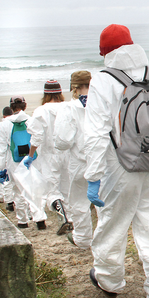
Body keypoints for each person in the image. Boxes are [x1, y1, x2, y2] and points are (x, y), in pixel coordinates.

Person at [83, 24, 149, 298]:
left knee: (112, 226)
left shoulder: (103, 79)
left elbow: (96, 133)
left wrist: (93, 176)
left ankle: (109, 281)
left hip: (121, 168)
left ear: (105, 53)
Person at [22, 80, 72, 233]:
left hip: (49, 155)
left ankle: (63, 215)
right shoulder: (68, 107)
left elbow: (36, 137)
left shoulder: (40, 111)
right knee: (67, 188)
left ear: (45, 94)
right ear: (60, 92)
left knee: (52, 189)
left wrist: (30, 155)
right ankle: (70, 220)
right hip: (68, 153)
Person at [54, 70, 93, 249]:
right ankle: (104, 240)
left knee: (79, 203)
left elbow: (63, 141)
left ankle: (84, 240)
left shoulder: (68, 108)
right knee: (105, 203)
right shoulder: (103, 103)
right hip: (103, 160)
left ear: (74, 87)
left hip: (79, 163)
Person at [0, 96, 34, 228]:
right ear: (25, 106)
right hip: (31, 158)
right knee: (32, 188)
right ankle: (38, 218)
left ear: (11, 108)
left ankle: (23, 221)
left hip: (14, 160)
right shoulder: (31, 120)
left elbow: (0, 150)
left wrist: (0, 168)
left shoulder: (3, 125)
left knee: (18, 191)